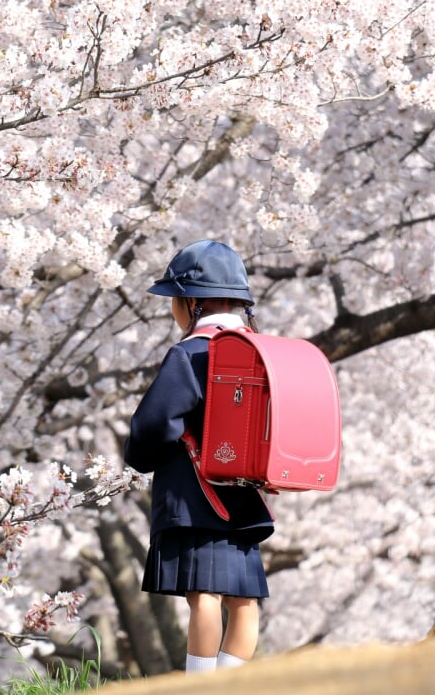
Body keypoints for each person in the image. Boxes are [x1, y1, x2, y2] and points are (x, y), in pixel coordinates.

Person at [124, 240, 274, 675]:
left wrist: (142, 454)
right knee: (244, 600)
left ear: (192, 303)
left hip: (194, 496)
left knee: (203, 596)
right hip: (245, 496)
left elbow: (153, 426)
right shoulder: (262, 354)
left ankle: (200, 684)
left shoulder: (189, 354)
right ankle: (230, 683)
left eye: (175, 301)